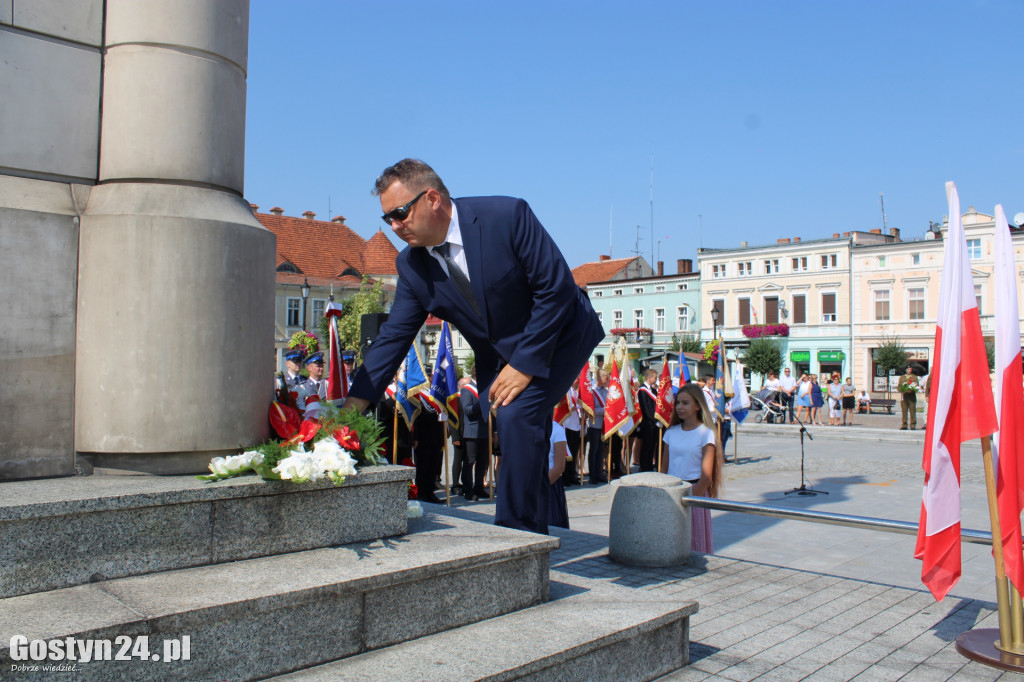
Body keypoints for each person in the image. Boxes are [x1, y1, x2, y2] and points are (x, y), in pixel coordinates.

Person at [344, 159, 604, 535]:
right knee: (511, 433)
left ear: (432, 198)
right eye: (387, 219)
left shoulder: (506, 215)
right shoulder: (412, 266)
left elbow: (556, 289)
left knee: (515, 415)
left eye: (400, 213)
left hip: (561, 331)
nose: (395, 226)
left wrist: (524, 365)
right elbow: (392, 339)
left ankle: (515, 538)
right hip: (500, 354)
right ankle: (546, 520)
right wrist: (352, 407)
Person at [660, 383, 722, 554]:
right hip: (672, 490)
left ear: (697, 406)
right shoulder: (671, 432)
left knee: (694, 543)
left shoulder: (705, 433)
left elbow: (707, 476)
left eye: (685, 403)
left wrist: (690, 501)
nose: (680, 407)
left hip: (694, 491)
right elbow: (663, 470)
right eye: (678, 403)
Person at [458, 366, 490, 501]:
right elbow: (467, 410)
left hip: (485, 430)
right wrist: (482, 403)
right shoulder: (467, 389)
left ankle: (479, 488)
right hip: (472, 431)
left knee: (482, 461)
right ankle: (468, 490)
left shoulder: (485, 389)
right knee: (470, 461)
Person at [585, 369, 610, 484]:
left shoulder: (606, 391)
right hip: (594, 424)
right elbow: (591, 410)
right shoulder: (593, 391)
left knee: (601, 450)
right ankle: (593, 475)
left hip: (604, 425)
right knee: (594, 450)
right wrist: (606, 410)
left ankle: (599, 473)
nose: (608, 380)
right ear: (599, 378)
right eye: (606, 378)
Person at [636, 368, 660, 472]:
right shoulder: (642, 390)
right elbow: (645, 408)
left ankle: (649, 465)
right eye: (655, 377)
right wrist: (655, 420)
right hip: (647, 423)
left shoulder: (654, 390)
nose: (656, 379)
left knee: (652, 446)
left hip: (654, 423)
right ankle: (644, 466)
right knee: (646, 446)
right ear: (649, 378)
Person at [547, 418, 570, 529]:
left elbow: (559, 466)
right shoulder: (526, 424)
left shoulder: (556, 429)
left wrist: (542, 486)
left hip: (550, 483)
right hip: (528, 485)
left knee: (552, 526)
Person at [897, 365, 920, 430]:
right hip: (904, 396)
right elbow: (899, 386)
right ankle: (904, 424)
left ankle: (913, 424)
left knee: (912, 410)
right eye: (908, 369)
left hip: (911, 396)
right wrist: (901, 390)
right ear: (906, 370)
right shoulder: (902, 377)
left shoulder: (914, 377)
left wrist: (912, 389)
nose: (909, 370)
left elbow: (916, 386)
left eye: (910, 369)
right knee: (904, 410)